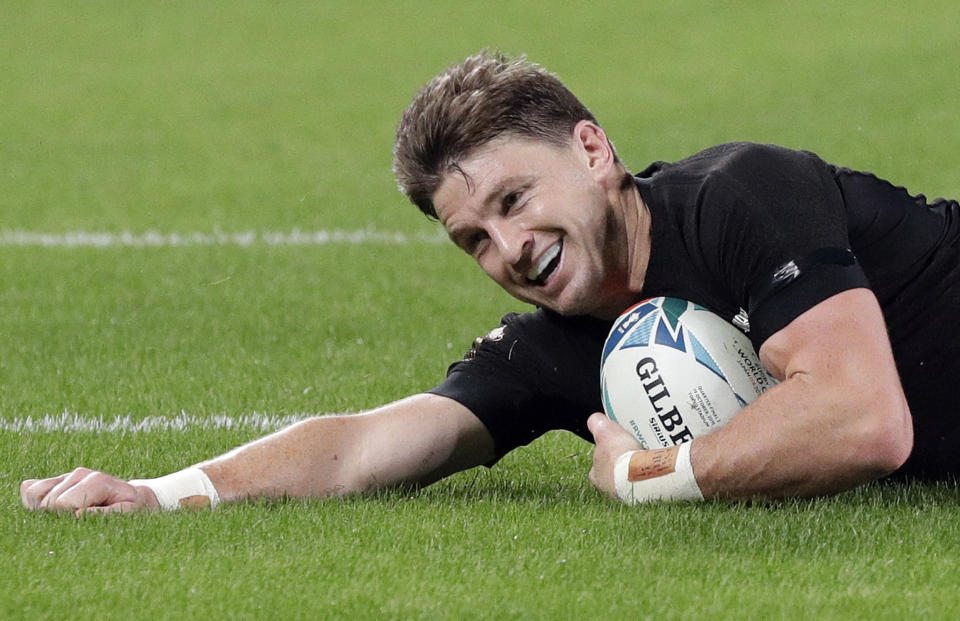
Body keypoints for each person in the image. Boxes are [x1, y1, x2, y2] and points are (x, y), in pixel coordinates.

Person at [20, 50, 959, 513]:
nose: (508, 248)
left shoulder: (739, 196)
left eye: (515, 198)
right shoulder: (558, 348)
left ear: (593, 151)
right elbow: (362, 446)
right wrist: (162, 491)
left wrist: (650, 475)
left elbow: (863, 420)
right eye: (475, 237)